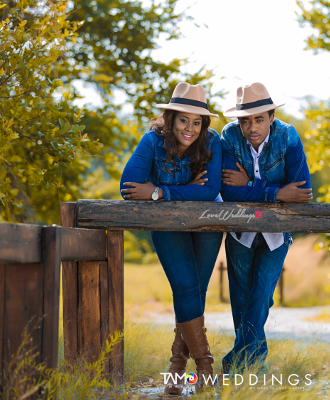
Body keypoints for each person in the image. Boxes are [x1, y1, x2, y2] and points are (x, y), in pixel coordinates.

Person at [120, 82, 222, 394]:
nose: (190, 129)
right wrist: (183, 189)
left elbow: (209, 191)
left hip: (208, 225)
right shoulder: (152, 141)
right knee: (186, 288)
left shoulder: (212, 142)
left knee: (194, 293)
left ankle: (177, 370)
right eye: (183, 120)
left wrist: (160, 191)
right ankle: (204, 368)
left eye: (197, 122)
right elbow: (128, 185)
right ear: (170, 118)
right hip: (166, 227)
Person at [220, 82, 313, 373]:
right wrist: (275, 192)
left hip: (276, 234)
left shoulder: (288, 137)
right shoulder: (229, 136)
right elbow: (229, 192)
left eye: (259, 119)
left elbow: (301, 192)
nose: (251, 127)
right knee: (241, 301)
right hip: (240, 232)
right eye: (245, 120)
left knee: (260, 297)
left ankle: (235, 363)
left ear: (271, 117)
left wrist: (250, 183)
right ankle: (252, 369)